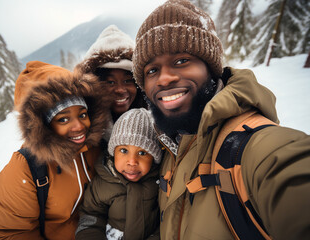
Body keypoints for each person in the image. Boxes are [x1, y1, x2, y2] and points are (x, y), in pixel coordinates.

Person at [132, 0, 310, 239]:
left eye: (181, 61)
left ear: (211, 69)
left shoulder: (256, 149)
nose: (164, 79)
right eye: (152, 70)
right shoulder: (169, 145)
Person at [0, 61, 110, 240]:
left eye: (82, 114)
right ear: (42, 125)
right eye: (63, 119)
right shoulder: (25, 170)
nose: (79, 126)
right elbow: (12, 233)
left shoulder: (96, 145)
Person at [75, 108, 162, 240]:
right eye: (123, 150)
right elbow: (91, 217)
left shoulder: (159, 183)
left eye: (142, 153)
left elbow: (166, 222)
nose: (132, 162)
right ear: (113, 152)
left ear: (154, 158)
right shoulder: (103, 183)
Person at [75, 24, 147, 127]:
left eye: (127, 81)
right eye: (110, 82)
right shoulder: (81, 128)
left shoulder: (157, 124)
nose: (120, 90)